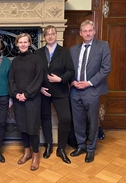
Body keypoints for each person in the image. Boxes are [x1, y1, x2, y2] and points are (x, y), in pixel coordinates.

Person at [69, 20, 111, 163]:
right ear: (80, 33)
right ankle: (81, 145)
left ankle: (91, 149)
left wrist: (88, 83)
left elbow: (106, 68)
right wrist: (73, 81)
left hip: (92, 89)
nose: (87, 33)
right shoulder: (73, 49)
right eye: (84, 31)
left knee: (93, 121)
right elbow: (70, 69)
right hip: (75, 90)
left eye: (90, 30)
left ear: (94, 31)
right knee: (78, 120)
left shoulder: (103, 46)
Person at [35, 25, 75, 164]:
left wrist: (61, 79)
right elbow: (35, 73)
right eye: (47, 34)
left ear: (56, 35)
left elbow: (71, 71)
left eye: (52, 33)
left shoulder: (64, 52)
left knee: (65, 119)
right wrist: (39, 87)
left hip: (61, 90)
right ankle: (48, 145)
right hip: (43, 91)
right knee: (45, 119)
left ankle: (62, 149)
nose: (50, 36)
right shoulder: (38, 53)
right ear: (44, 37)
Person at [8, 33, 44, 171]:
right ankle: (27, 152)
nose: (23, 44)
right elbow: (11, 79)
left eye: (25, 42)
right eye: (20, 42)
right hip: (19, 100)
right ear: (17, 44)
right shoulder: (15, 61)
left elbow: (38, 79)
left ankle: (35, 155)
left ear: (29, 43)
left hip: (33, 99)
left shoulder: (36, 60)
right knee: (22, 127)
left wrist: (27, 94)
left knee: (32, 128)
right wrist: (16, 94)